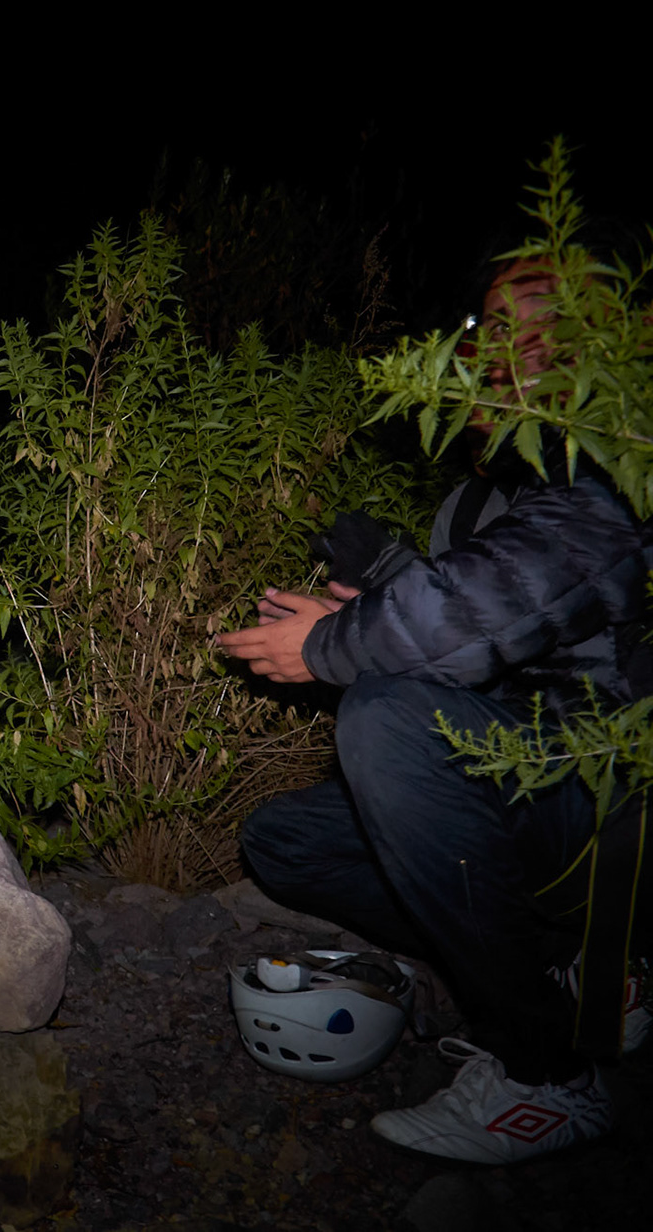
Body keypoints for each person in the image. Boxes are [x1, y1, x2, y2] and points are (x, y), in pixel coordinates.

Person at [216, 259, 653, 1164]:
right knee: (283, 842)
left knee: (383, 722)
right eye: (486, 328)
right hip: (528, 768)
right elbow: (484, 634)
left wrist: (332, 644)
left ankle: (545, 1073)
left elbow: (500, 598)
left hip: (617, 799)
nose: (498, 352)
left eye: (529, 325)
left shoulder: (622, 456)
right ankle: (558, 970)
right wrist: (378, 590)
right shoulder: (482, 496)